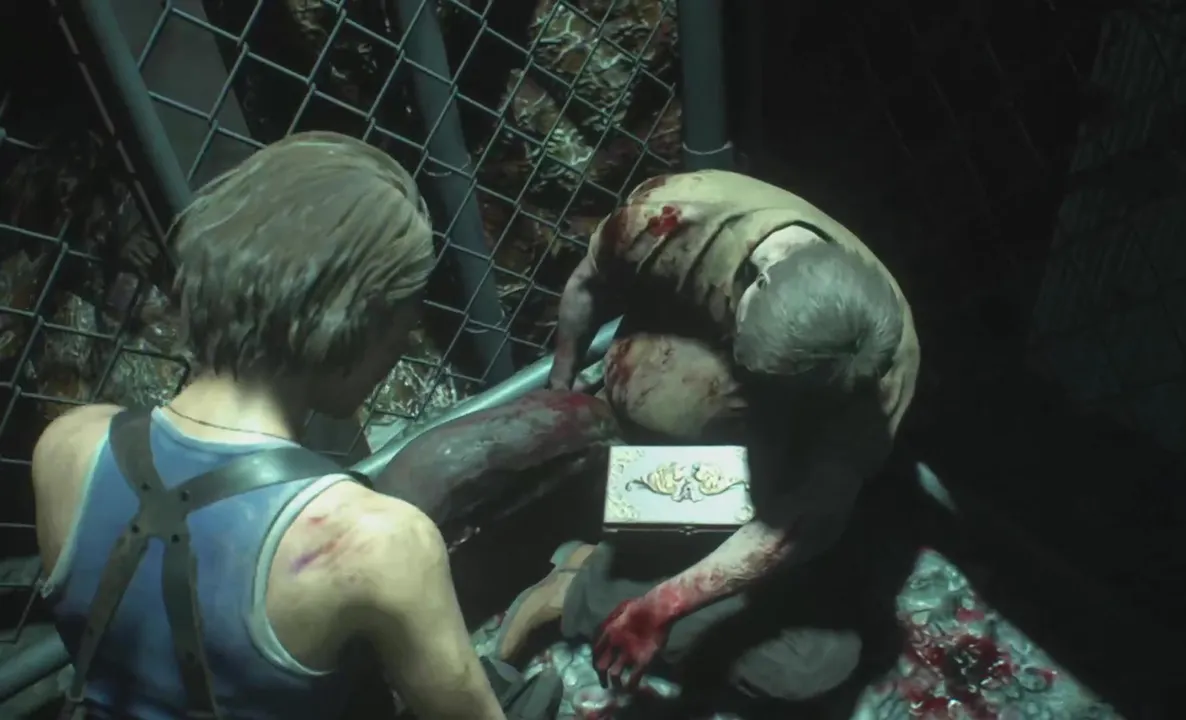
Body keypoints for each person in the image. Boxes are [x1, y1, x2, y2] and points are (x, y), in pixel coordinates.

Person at [31, 132, 505, 719]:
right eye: (402, 323)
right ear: (358, 324)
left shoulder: (67, 447)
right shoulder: (375, 542)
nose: (402, 347)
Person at [495, 170, 920, 703]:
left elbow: (797, 527)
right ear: (758, 281)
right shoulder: (675, 217)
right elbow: (588, 283)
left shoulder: (885, 369)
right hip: (673, 389)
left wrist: (664, 606)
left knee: (819, 661)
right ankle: (582, 587)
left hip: (769, 459)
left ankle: (602, 567)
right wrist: (561, 389)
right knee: (806, 658)